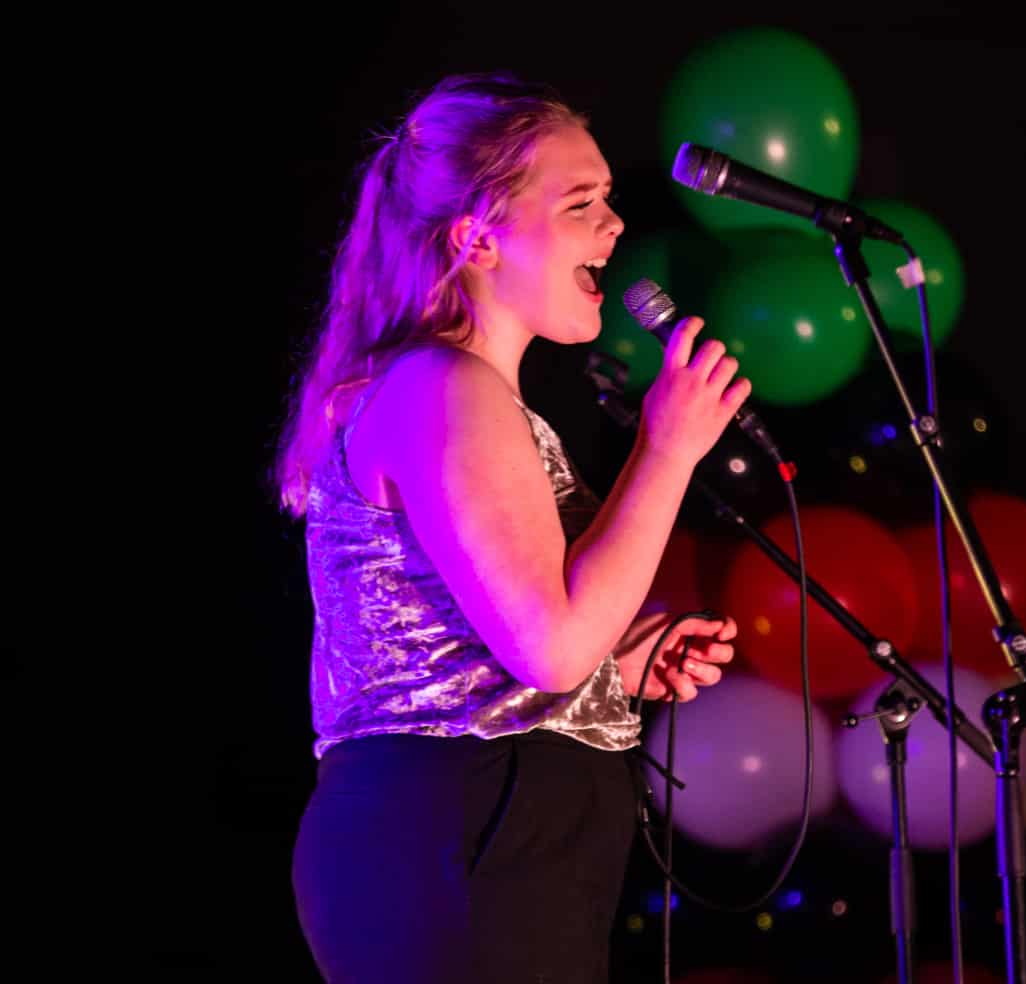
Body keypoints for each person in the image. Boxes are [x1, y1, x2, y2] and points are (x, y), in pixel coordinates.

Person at [273, 71, 750, 984]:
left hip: (487, 837)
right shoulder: (439, 385)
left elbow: (522, 648)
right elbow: (550, 650)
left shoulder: (467, 394)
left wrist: (617, 670)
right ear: (478, 237)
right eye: (582, 203)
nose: (615, 225)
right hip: (457, 835)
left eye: (608, 199)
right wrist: (668, 448)